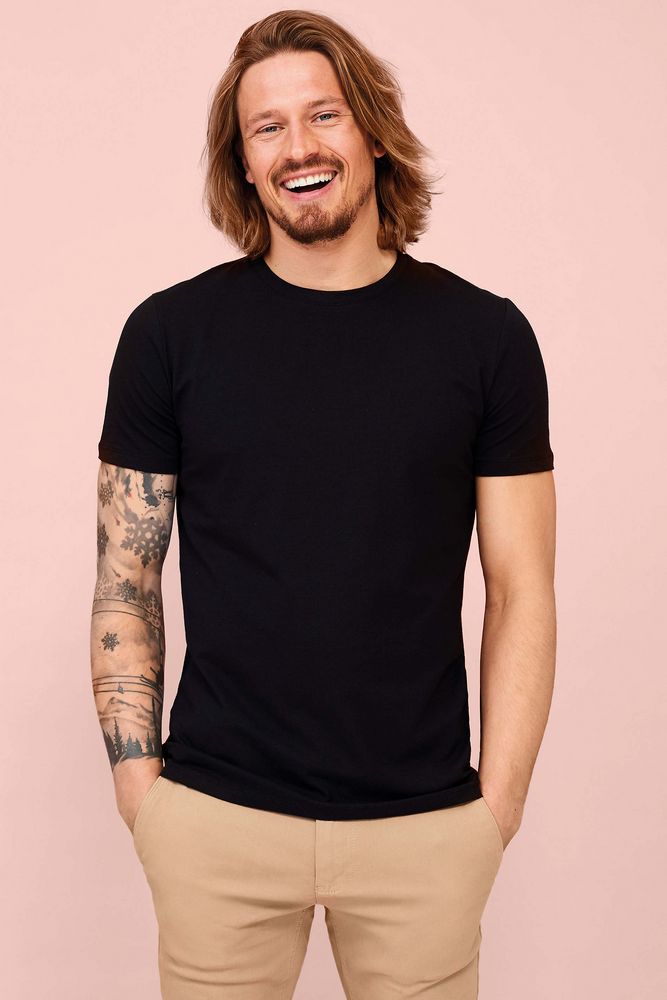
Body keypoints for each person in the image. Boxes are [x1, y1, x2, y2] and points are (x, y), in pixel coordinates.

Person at [91, 9, 556, 999]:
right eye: (267, 127)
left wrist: (497, 807)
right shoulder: (169, 336)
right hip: (215, 821)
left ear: (372, 131)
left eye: (324, 114)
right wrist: (142, 791)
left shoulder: (485, 340)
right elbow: (127, 575)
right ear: (244, 162)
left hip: (423, 829)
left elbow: (521, 586)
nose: (298, 146)